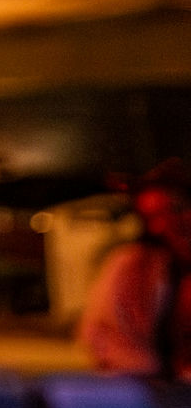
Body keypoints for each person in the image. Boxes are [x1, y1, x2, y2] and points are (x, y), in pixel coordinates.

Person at [78, 159, 191, 378]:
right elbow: (96, 332)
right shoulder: (134, 265)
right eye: (153, 217)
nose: (163, 225)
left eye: (176, 209)